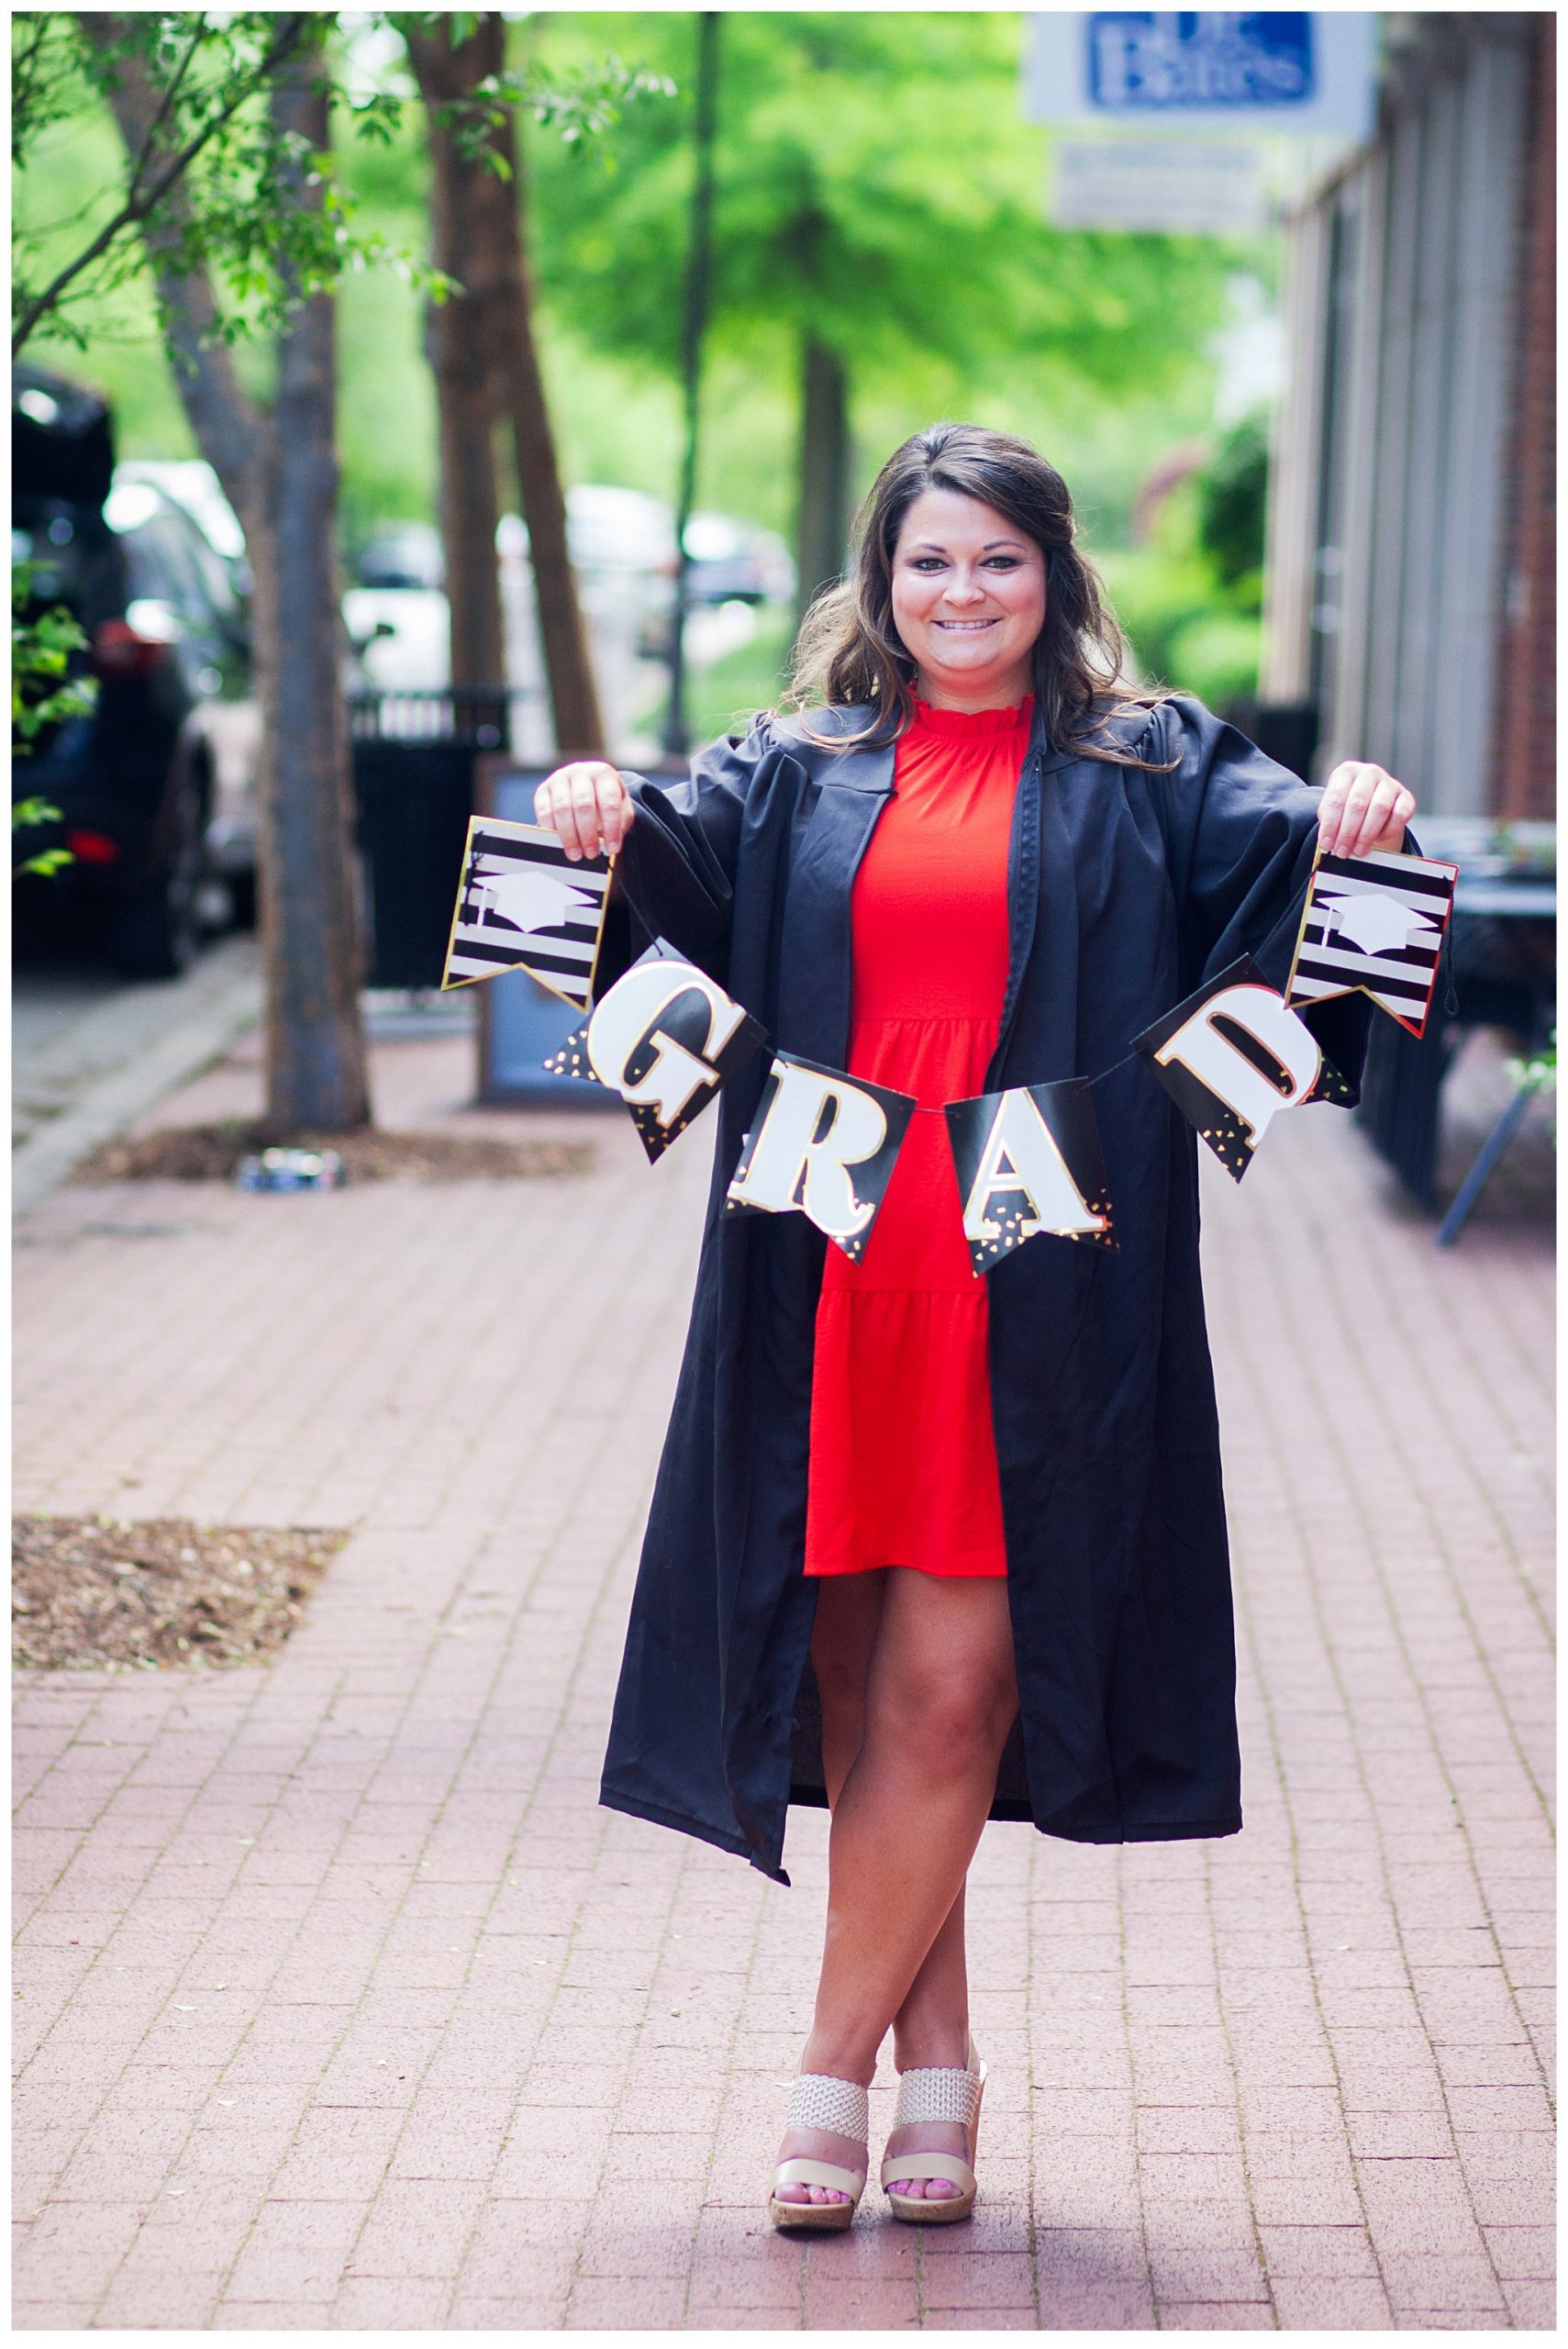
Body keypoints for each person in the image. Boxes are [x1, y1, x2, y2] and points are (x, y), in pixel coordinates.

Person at [533, 423, 1416, 2232]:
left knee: (954, 1688)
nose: (962, 593)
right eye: (930, 561)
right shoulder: (793, 765)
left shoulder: (1152, 762)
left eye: (998, 561)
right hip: (829, 1253)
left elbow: (1324, 927)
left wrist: (1363, 818)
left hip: (1043, 1265)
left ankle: (822, 2072)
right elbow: (627, 909)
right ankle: (947, 2072)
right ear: (882, 577)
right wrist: (587, 808)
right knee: (855, 1684)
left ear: (1054, 575)